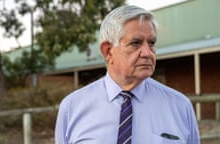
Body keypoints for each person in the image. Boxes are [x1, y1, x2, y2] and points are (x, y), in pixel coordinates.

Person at [55, 5, 200, 144]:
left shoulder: (180, 106)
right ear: (108, 51)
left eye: (151, 43)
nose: (147, 53)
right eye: (135, 43)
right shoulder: (72, 108)